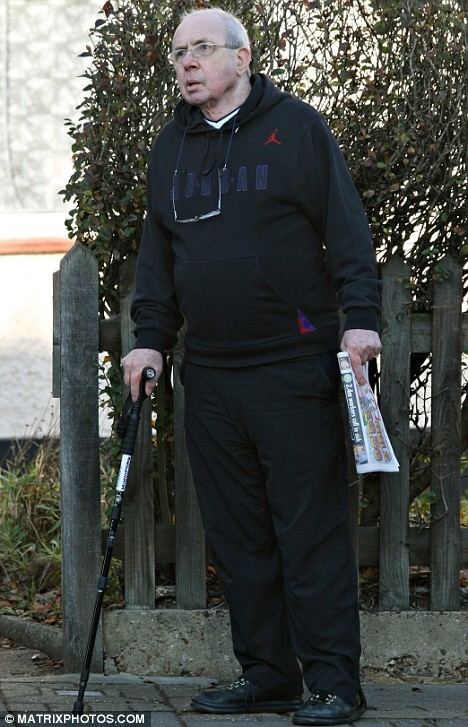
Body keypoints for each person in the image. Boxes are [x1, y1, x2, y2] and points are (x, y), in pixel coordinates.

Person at [123, 8, 382, 725]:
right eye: (178, 51)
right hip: (209, 373)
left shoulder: (296, 130)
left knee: (310, 531)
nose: (185, 62)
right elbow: (158, 260)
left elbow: (347, 233)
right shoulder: (169, 148)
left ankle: (334, 684)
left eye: (201, 49)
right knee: (239, 536)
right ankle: (267, 673)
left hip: (293, 365)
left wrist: (359, 319)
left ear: (242, 57)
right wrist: (150, 339)